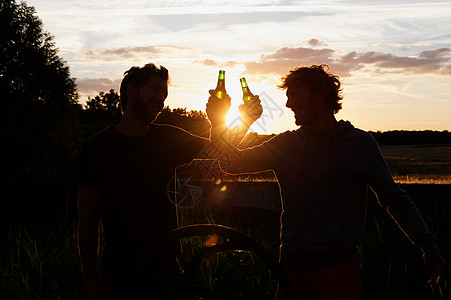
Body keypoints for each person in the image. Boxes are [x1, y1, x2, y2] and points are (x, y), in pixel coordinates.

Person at [206, 64, 449, 300]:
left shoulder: (357, 144)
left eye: (296, 95)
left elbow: (394, 199)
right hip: (290, 270)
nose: (288, 104)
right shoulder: (285, 144)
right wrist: (233, 121)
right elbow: (230, 164)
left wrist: (428, 246)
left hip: (338, 272)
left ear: (320, 96)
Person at [76, 63, 257, 300]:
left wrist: (242, 119)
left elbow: (220, 150)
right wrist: (90, 279)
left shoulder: (167, 138)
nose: (161, 99)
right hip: (121, 273)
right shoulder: (95, 149)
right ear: (131, 91)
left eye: (164, 94)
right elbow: (87, 219)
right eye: (155, 89)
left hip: (167, 270)